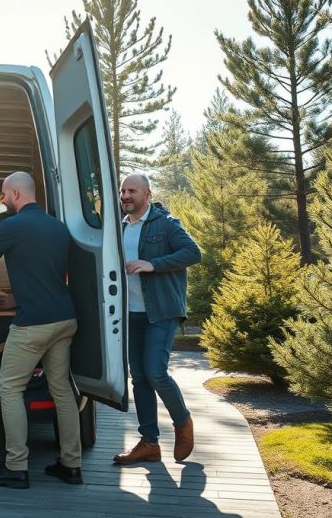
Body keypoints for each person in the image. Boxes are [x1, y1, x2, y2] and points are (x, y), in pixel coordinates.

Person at [0, 171, 83, 489]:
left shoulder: (11, 226)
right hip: (64, 319)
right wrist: (15, 296)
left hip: (34, 324)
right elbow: (46, 273)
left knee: (10, 388)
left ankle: (15, 466)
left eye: (3, 195)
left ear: (14, 194)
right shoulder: (58, 227)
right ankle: (71, 464)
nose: (3, 200)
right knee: (62, 390)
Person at [114, 173, 201, 464]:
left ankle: (183, 422)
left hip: (161, 312)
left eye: (132, 191)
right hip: (130, 314)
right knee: (138, 378)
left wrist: (153, 264)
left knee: (155, 372)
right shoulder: (118, 227)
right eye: (123, 190)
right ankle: (149, 443)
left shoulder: (166, 223)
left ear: (147, 194)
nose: (126, 195)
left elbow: (193, 253)